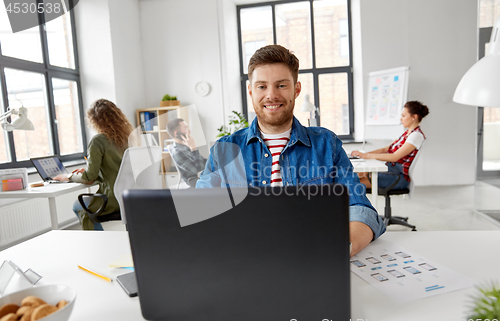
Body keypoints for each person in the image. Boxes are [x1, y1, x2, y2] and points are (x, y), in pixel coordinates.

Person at [196, 44, 385, 256]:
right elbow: (199, 212)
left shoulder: (326, 144)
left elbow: (360, 209)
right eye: (261, 86)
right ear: (250, 91)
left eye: (281, 85)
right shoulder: (224, 150)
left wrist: (339, 248)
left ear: (296, 89)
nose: (271, 95)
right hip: (244, 259)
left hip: (311, 257)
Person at [53, 99, 133, 230]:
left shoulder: (98, 140)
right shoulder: (127, 138)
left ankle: (98, 243)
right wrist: (92, 169)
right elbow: (117, 168)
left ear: (94, 120)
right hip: (129, 196)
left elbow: (89, 178)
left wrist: (68, 177)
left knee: (78, 207)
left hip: (112, 198)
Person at [351, 101, 428, 190]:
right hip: (389, 171)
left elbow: (394, 157)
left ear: (414, 117)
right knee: (354, 175)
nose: (401, 119)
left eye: (403, 116)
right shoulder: (406, 134)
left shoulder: (416, 135)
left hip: (397, 177)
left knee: (353, 182)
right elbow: (385, 149)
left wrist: (366, 156)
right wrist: (362, 155)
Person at [166, 118, 207, 187]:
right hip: (197, 182)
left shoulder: (185, 147)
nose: (189, 131)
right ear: (176, 133)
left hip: (203, 178)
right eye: (186, 129)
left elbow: (203, 162)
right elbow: (200, 171)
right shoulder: (177, 152)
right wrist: (194, 148)